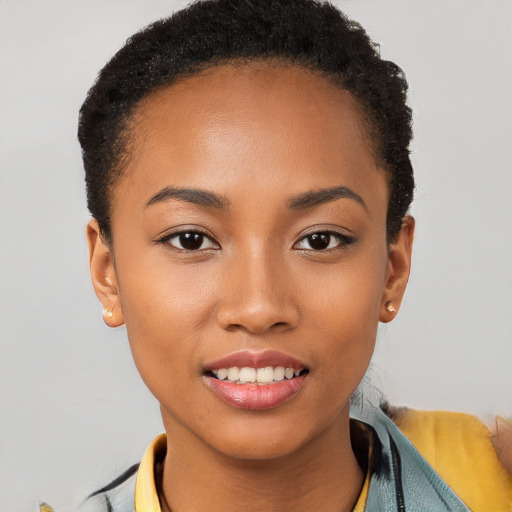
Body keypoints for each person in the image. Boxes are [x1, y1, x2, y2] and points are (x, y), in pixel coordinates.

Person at [42, 0, 511, 510]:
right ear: (107, 274)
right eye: (191, 239)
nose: (259, 307)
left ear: (393, 269)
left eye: (320, 240)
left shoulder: (487, 480)